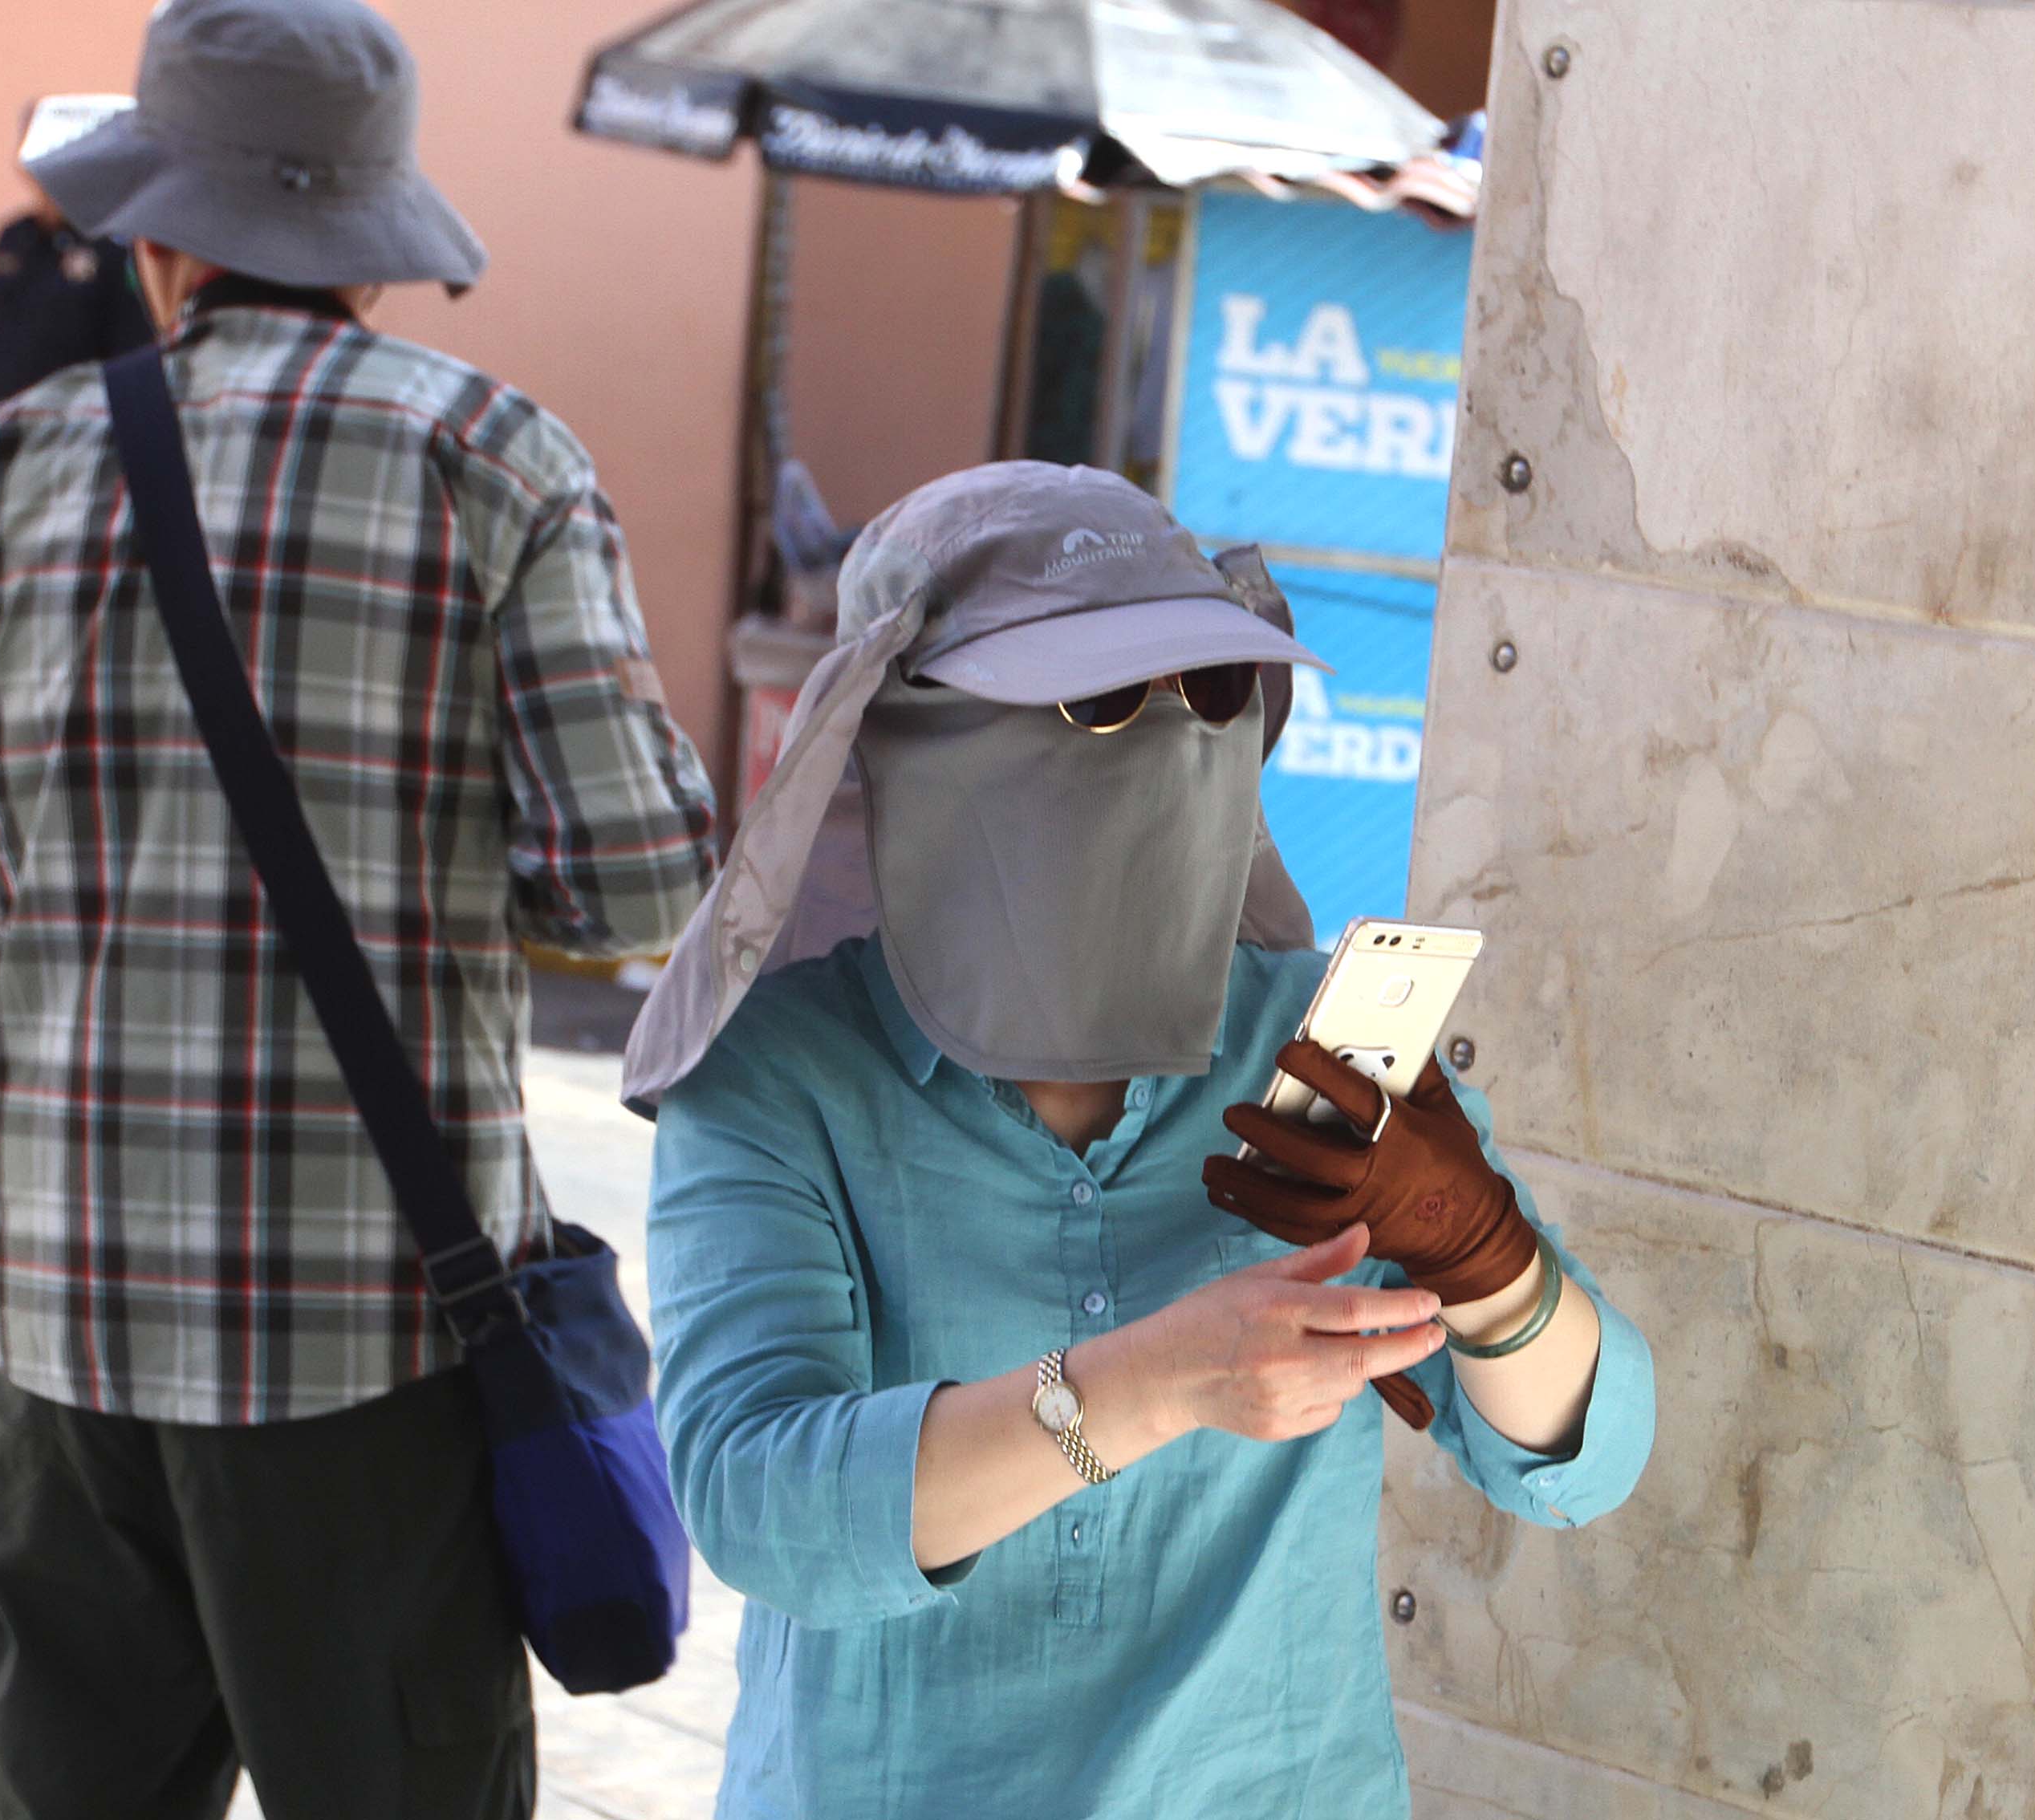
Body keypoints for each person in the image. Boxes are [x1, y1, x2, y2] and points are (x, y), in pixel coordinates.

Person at [0, 2, 717, 1814]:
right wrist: (427, 900)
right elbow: (643, 878)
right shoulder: (495, 463)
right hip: (369, 1354)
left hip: (60, 1350)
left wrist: (84, 981)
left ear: (157, 234)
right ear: (367, 255)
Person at [624, 461, 1655, 1817]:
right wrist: (1148, 1382)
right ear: (913, 736)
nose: (1172, 734)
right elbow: (759, 1497)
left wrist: (1489, 1255)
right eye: (1098, 697)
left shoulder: (1319, 1046)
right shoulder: (777, 1079)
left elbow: (1581, 1463)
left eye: (1211, 687)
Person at [0, 118, 154, 423]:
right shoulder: (14, 238)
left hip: (73, 436)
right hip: (0, 431)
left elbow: (129, 351)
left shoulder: (112, 246)